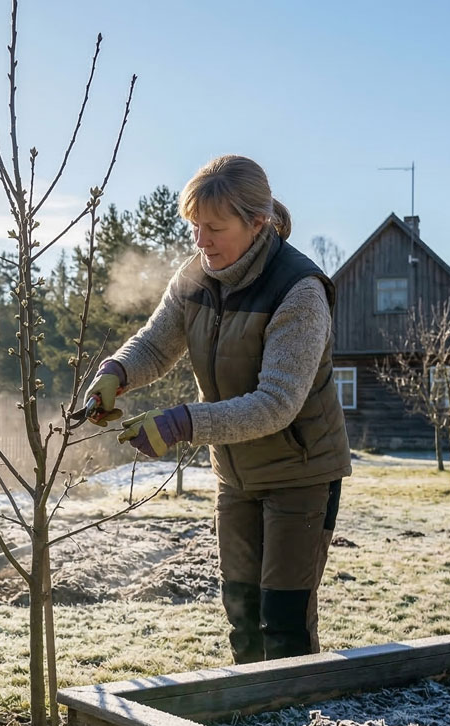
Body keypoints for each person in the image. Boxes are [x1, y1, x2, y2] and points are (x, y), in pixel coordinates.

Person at [85, 154, 350, 663]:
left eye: (214, 227)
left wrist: (183, 423)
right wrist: (114, 373)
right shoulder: (194, 277)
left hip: (301, 472)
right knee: (242, 612)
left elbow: (276, 404)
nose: (200, 241)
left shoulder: (299, 291)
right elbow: (156, 346)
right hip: (235, 473)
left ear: (258, 223)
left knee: (285, 621)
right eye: (194, 227)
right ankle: (249, 724)